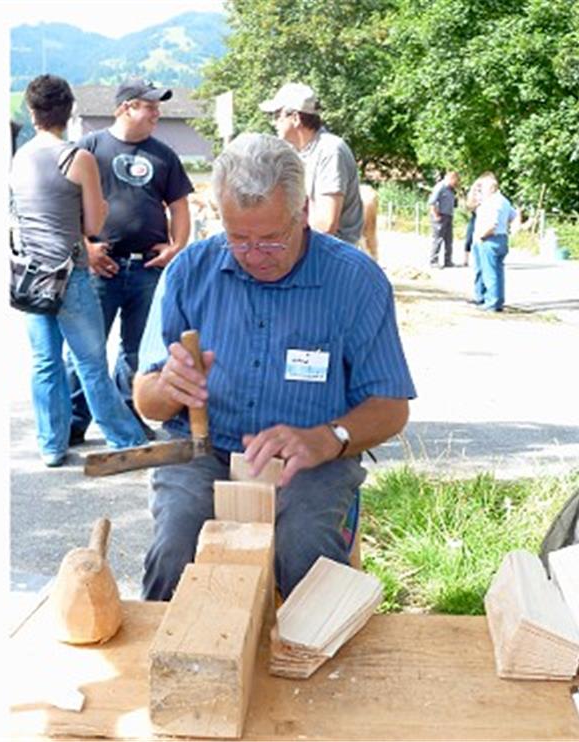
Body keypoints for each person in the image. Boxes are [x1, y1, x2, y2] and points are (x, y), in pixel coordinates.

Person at [133, 133, 415, 601]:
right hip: (202, 449)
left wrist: (328, 438)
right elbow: (147, 401)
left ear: (302, 212)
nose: (254, 256)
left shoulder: (355, 281)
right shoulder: (188, 272)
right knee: (174, 552)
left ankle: (313, 667)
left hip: (313, 458)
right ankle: (169, 666)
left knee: (305, 553)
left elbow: (391, 407)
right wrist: (168, 387)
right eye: (238, 238)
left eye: (271, 239)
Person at [9, 75, 148, 466]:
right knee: (89, 361)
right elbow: (93, 224)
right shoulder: (77, 157)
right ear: (69, 112)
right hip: (70, 273)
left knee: (45, 361)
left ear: (33, 114)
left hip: (31, 275)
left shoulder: (19, 159)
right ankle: (125, 439)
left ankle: (51, 446)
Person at [67, 78, 194, 445]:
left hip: (146, 269)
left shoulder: (164, 154)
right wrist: (86, 248)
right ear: (126, 107)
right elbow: (67, 201)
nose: (157, 113)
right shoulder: (90, 147)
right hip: (100, 267)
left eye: (157, 107)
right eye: (150, 106)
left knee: (138, 350)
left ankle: (129, 415)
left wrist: (177, 246)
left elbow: (180, 205)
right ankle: (74, 422)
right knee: (85, 350)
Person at [259, 83, 364, 246]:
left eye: (276, 115)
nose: (274, 123)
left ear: (294, 118)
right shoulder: (296, 153)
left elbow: (325, 225)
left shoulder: (330, 151)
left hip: (331, 257)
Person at [470, 173, 517, 312]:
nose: (480, 191)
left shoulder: (493, 202)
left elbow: (492, 224)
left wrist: (482, 236)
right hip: (501, 237)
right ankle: (496, 300)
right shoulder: (504, 201)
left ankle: (492, 303)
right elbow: (513, 217)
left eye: (482, 188)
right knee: (497, 272)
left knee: (490, 272)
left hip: (490, 239)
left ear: (490, 188)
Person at [427, 170, 459, 268]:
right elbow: (432, 202)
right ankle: (433, 261)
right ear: (450, 178)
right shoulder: (440, 187)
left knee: (449, 239)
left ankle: (448, 261)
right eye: (455, 180)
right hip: (440, 215)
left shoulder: (451, 189)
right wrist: (436, 215)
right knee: (438, 239)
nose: (456, 183)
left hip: (449, 215)